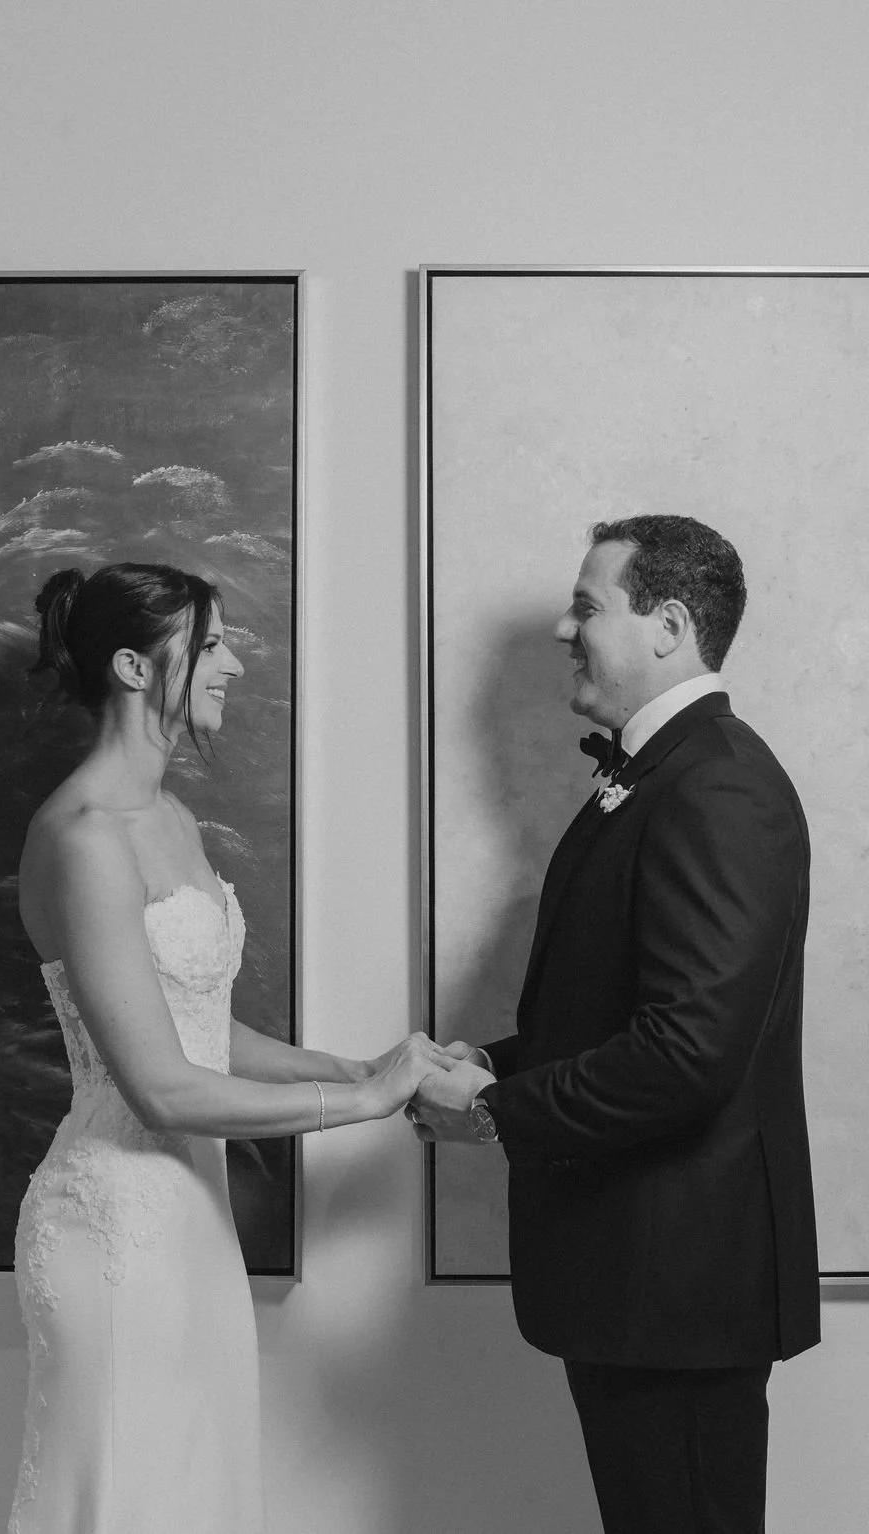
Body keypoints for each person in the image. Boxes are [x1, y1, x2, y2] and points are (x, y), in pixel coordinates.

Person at [7, 562, 449, 1534]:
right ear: (132, 665)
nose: (234, 663)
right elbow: (164, 1088)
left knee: (192, 1498)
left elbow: (203, 1032)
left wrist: (372, 1063)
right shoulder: (81, 837)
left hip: (190, 1224)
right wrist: (364, 1102)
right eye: (209, 644)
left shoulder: (167, 818)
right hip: (112, 1223)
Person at [411, 515, 820, 1534]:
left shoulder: (716, 784)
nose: (563, 625)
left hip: (678, 1286)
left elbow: (690, 1052)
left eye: (587, 605)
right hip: (646, 1279)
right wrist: (492, 1059)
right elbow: (631, 1009)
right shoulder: (662, 775)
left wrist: (498, 1107)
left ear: (668, 625)